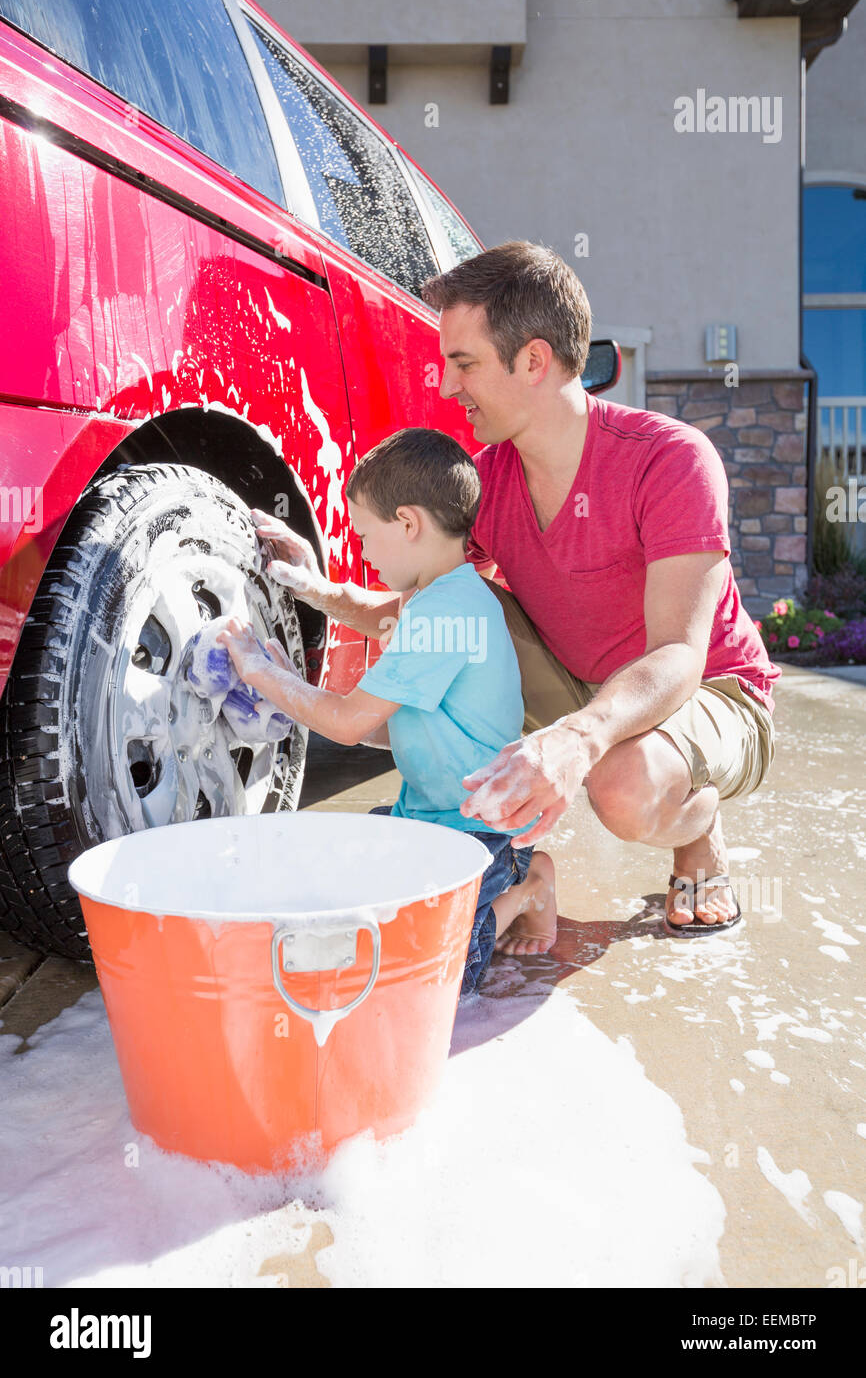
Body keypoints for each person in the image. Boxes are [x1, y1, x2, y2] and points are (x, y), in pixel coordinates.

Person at [419, 240, 780, 941]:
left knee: (623, 785)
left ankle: (699, 831)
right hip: (579, 678)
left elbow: (679, 653)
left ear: (532, 361)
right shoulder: (484, 481)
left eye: (463, 363)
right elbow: (422, 611)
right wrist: (308, 590)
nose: (445, 387)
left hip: (711, 689)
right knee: (449, 606)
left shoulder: (671, 460)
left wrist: (577, 740)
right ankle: (513, 865)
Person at [217, 428, 556, 995]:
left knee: (440, 972)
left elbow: (349, 723)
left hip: (484, 838)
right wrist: (307, 596)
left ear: (409, 523)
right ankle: (506, 883)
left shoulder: (446, 614)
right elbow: (382, 722)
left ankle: (528, 887)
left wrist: (262, 673)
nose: (364, 550)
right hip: (426, 821)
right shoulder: (437, 598)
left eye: (366, 535)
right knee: (348, 899)